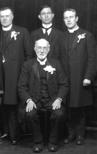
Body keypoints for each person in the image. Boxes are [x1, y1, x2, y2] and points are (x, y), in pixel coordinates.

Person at [0, 7, 32, 145]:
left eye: (7, 16)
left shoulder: (22, 32)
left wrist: (25, 75)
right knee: (1, 104)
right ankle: (5, 131)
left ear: (12, 17)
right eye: (2, 16)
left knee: (14, 105)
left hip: (16, 75)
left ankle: (15, 134)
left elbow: (29, 55)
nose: (4, 19)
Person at [18, 38, 68, 152]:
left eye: (44, 48)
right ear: (35, 49)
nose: (42, 50)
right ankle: (38, 141)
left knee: (59, 114)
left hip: (52, 98)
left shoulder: (56, 63)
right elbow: (21, 86)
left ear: (49, 49)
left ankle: (53, 141)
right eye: (39, 47)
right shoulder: (28, 65)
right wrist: (29, 100)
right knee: (30, 114)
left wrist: (59, 99)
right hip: (34, 99)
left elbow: (64, 84)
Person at [61, 8, 96, 145]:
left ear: (77, 18)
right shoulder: (61, 37)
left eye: (71, 17)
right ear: (64, 20)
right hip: (65, 79)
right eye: (66, 17)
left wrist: (89, 76)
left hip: (80, 78)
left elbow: (93, 59)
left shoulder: (87, 35)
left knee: (79, 108)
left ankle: (80, 135)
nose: (69, 20)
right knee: (68, 108)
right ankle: (70, 134)